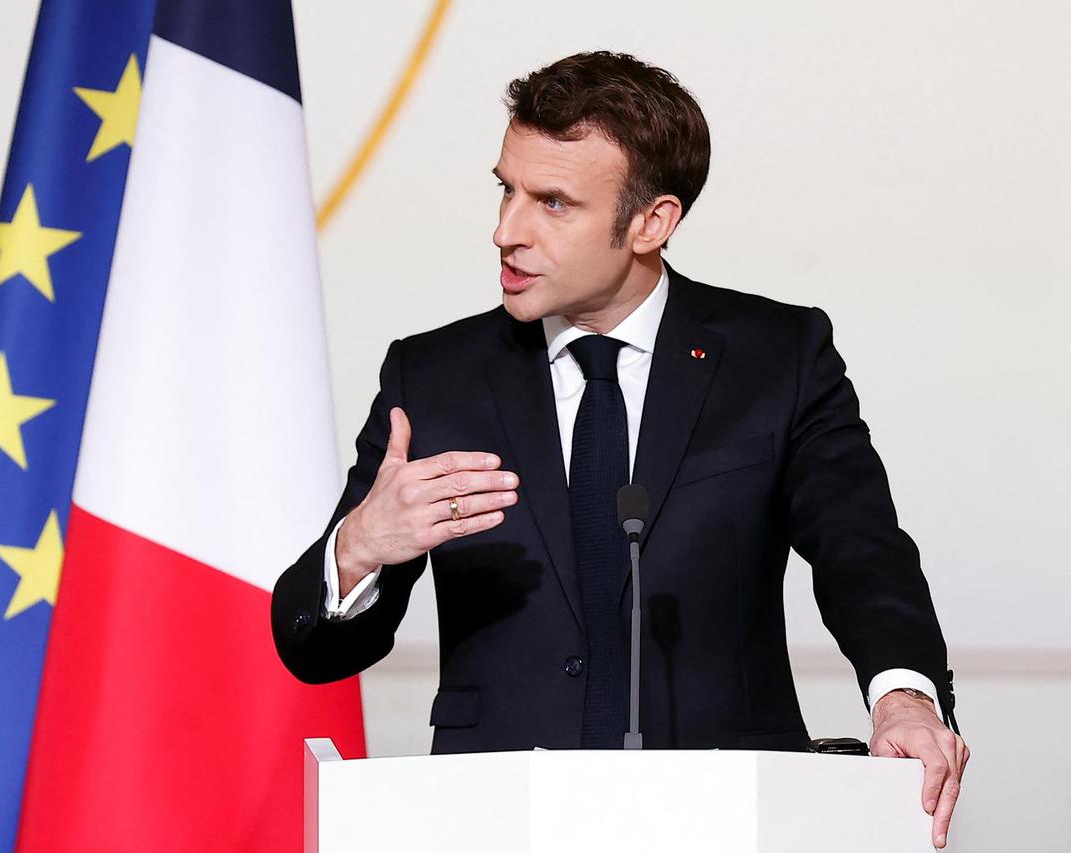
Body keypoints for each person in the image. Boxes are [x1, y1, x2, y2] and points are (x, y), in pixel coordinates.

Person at [271, 51, 968, 848]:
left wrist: (905, 695)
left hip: (727, 816)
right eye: (506, 188)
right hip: (492, 818)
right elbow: (313, 652)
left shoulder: (779, 358)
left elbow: (864, 554)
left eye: (553, 202)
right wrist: (359, 546)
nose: (506, 230)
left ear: (652, 222)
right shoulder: (435, 378)